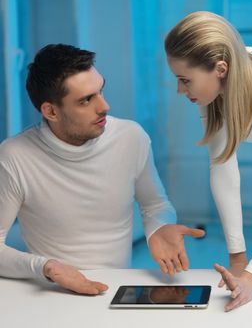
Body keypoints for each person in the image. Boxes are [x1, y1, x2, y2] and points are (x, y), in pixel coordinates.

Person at [0, 44, 205, 295]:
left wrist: (158, 228)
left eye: (100, 91)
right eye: (86, 100)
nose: (104, 106)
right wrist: (46, 267)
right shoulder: (14, 156)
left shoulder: (131, 137)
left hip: (115, 289)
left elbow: (155, 204)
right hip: (53, 292)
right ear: (51, 111)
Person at [165, 11, 252, 312]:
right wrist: (238, 258)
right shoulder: (210, 93)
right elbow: (222, 167)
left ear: (220, 68)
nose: (180, 91)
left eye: (184, 80)